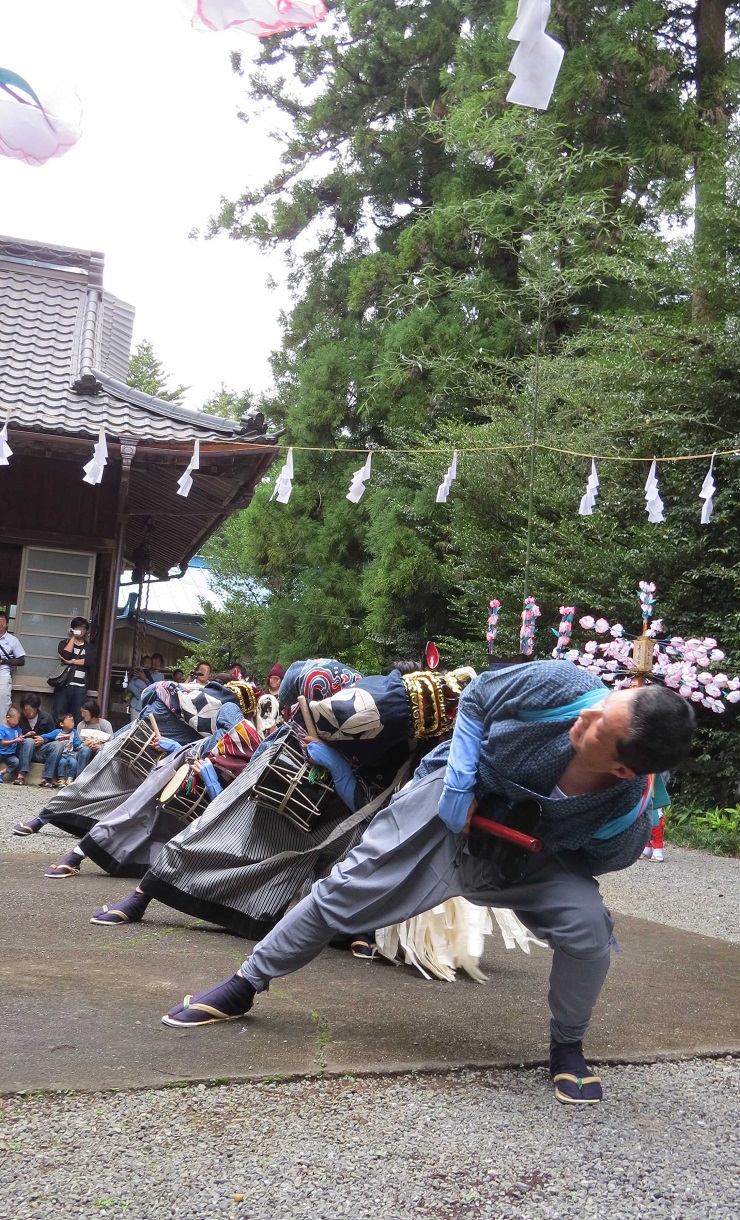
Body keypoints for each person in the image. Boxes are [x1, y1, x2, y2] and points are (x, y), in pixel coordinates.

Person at [160, 662, 696, 1108]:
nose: (589, 711)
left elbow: (595, 861)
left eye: (600, 726)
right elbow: (480, 698)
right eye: (609, 700)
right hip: (450, 805)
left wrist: (522, 844)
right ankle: (244, 985)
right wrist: (462, 781)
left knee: (588, 928)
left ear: (625, 772)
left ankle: (568, 1045)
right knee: (345, 889)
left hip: (531, 852)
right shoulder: (566, 686)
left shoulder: (627, 813)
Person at [54, 618, 97, 724]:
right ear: (72, 629)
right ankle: (58, 738)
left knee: (78, 717)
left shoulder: (90, 647)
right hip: (63, 685)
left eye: (82, 628)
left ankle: (75, 739)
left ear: (86, 631)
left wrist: (70, 661)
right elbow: (65, 655)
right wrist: (72, 637)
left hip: (80, 688)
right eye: (77, 628)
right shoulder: (64, 643)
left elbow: (89, 661)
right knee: (59, 716)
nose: (80, 630)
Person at [11, 694, 56, 790]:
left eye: (29, 710)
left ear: (36, 708)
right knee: (28, 741)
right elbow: (12, 735)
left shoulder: (46, 718)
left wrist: (43, 739)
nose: (26, 713)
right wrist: (26, 735)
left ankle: (46, 778)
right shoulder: (19, 718)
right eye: (24, 710)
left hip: (40, 750)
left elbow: (54, 735)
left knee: (57, 745)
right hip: (23, 750)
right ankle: (21, 776)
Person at [37, 713, 83, 787]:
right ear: (61, 724)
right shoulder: (57, 732)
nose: (72, 723)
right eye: (69, 722)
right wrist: (40, 737)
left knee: (74, 763)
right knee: (61, 763)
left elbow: (77, 742)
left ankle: (70, 778)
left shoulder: (74, 732)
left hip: (70, 754)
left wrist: (82, 743)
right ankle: (61, 779)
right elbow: (48, 735)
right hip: (61, 755)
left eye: (73, 722)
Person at [75, 699, 114, 774]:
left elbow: (111, 742)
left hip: (100, 750)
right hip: (84, 752)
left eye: (85, 712)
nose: (82, 715)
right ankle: (79, 778)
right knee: (86, 750)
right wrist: (85, 744)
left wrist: (100, 746)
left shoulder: (105, 724)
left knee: (101, 752)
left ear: (92, 711)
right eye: (81, 712)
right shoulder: (81, 725)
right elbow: (77, 744)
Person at [0, 610, 25, 724]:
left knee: (2, 706)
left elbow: (21, 660)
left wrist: (4, 661)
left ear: (7, 624)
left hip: (3, 676)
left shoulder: (12, 640)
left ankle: (1, 734)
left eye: (2, 622)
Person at [0, 706, 25, 781]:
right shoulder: (2, 729)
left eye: (18, 720)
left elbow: (20, 737)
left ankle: (1, 773)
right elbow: (2, 743)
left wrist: (27, 734)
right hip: (1, 752)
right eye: (15, 720)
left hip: (10, 754)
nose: (17, 722)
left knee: (16, 762)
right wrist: (14, 741)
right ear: (8, 718)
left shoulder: (17, 728)